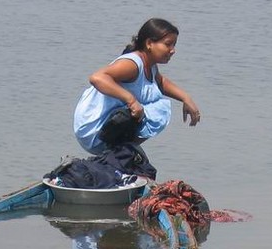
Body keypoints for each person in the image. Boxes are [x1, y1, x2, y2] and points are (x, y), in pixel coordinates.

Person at [73, 18, 202, 154]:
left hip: (106, 129)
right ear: (149, 43)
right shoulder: (132, 64)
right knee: (156, 109)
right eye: (168, 44)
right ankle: (122, 151)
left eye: (174, 45)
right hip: (93, 129)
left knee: (159, 106)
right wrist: (131, 100)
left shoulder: (150, 65)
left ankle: (125, 151)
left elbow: (160, 82)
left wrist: (186, 98)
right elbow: (97, 78)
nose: (172, 50)